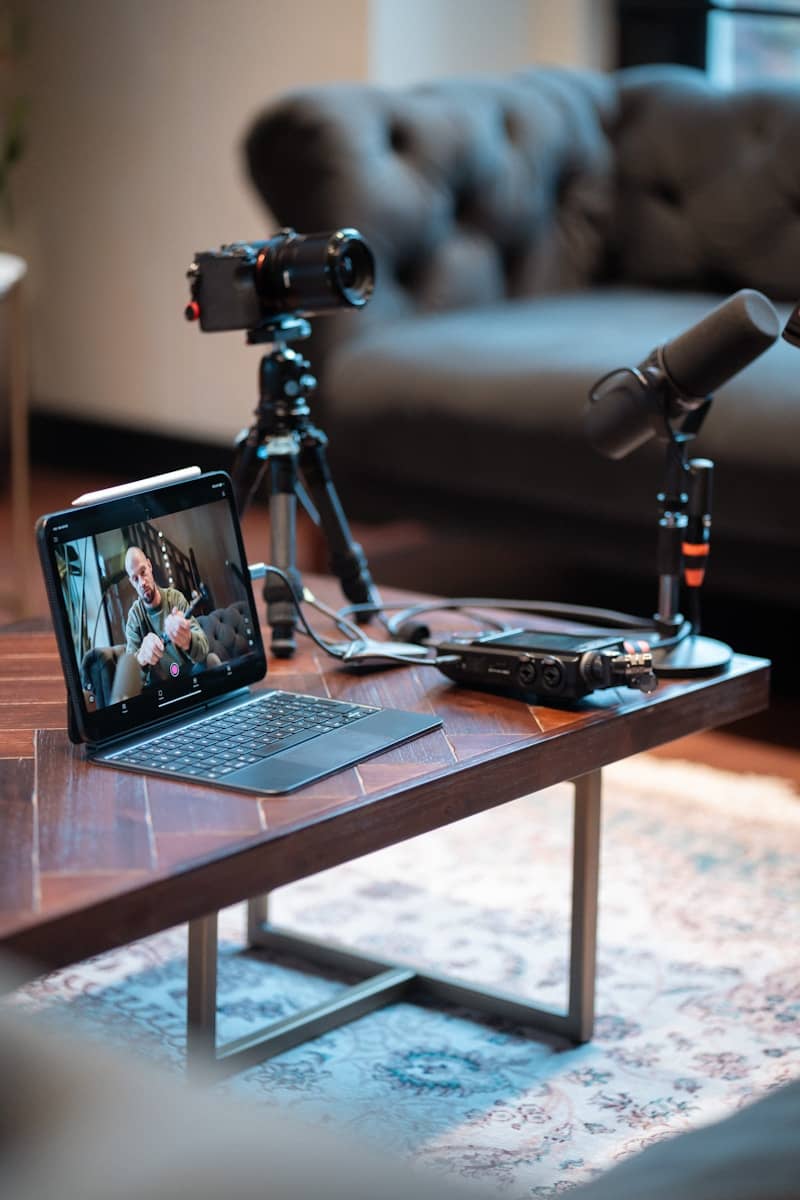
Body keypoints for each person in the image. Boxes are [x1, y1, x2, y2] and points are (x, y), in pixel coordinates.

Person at [124, 546, 209, 679]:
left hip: (189, 676)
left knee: (212, 660)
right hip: (161, 688)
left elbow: (203, 650)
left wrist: (189, 640)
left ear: (150, 565)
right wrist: (141, 658)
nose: (142, 583)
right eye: (135, 579)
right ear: (131, 582)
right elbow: (129, 676)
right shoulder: (134, 617)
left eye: (143, 572)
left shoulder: (175, 598)